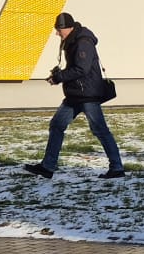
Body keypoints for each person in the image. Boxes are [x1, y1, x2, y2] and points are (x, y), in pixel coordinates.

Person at [22, 12, 125, 179]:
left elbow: (81, 69)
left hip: (87, 94)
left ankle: (117, 168)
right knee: (57, 125)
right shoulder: (72, 40)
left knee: (100, 130)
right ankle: (47, 167)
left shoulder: (83, 42)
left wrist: (59, 77)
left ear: (68, 28)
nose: (57, 34)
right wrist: (59, 75)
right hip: (75, 94)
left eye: (58, 30)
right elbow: (76, 67)